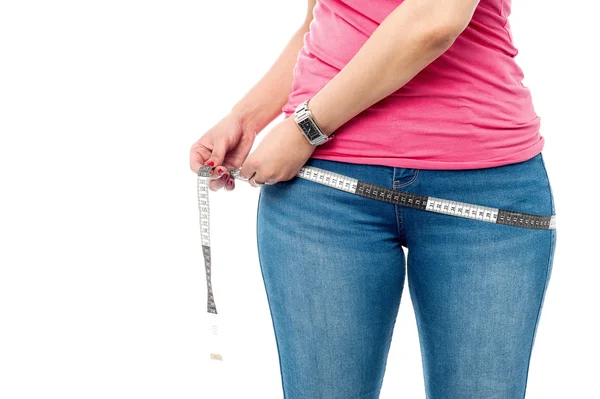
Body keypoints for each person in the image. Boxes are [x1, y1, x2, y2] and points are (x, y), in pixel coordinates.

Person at [189, 0, 557, 397]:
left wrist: (304, 129)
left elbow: (436, 18)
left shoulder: (305, 131)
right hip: (323, 187)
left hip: (483, 184)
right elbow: (324, 19)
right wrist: (245, 120)